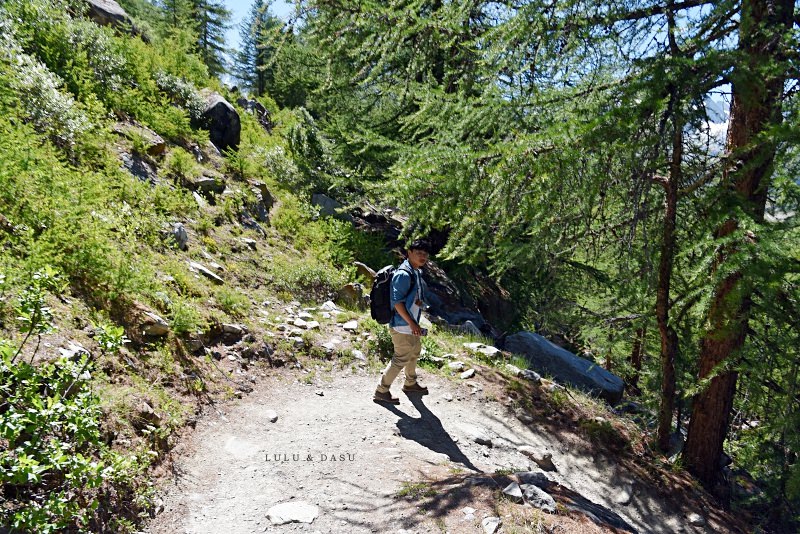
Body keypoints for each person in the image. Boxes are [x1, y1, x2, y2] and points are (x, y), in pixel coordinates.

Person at [373, 239, 432, 405]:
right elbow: (397, 303)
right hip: (402, 325)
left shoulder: (415, 272)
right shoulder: (403, 274)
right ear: (409, 253)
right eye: (419, 253)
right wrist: (412, 324)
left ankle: (410, 383)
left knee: (415, 352)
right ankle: (381, 390)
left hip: (411, 324)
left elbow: (413, 297)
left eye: (425, 254)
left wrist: (421, 305)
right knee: (400, 358)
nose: (423, 257)